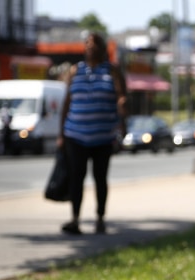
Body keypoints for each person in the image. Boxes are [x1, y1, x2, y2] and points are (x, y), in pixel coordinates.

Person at [58, 32, 127, 235]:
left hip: (103, 135)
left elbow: (122, 98)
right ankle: (75, 219)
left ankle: (100, 218)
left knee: (100, 179)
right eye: (87, 44)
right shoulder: (75, 71)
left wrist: (123, 122)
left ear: (102, 48)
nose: (90, 47)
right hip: (75, 134)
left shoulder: (112, 72)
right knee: (76, 178)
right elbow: (66, 104)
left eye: (94, 44)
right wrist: (61, 134)